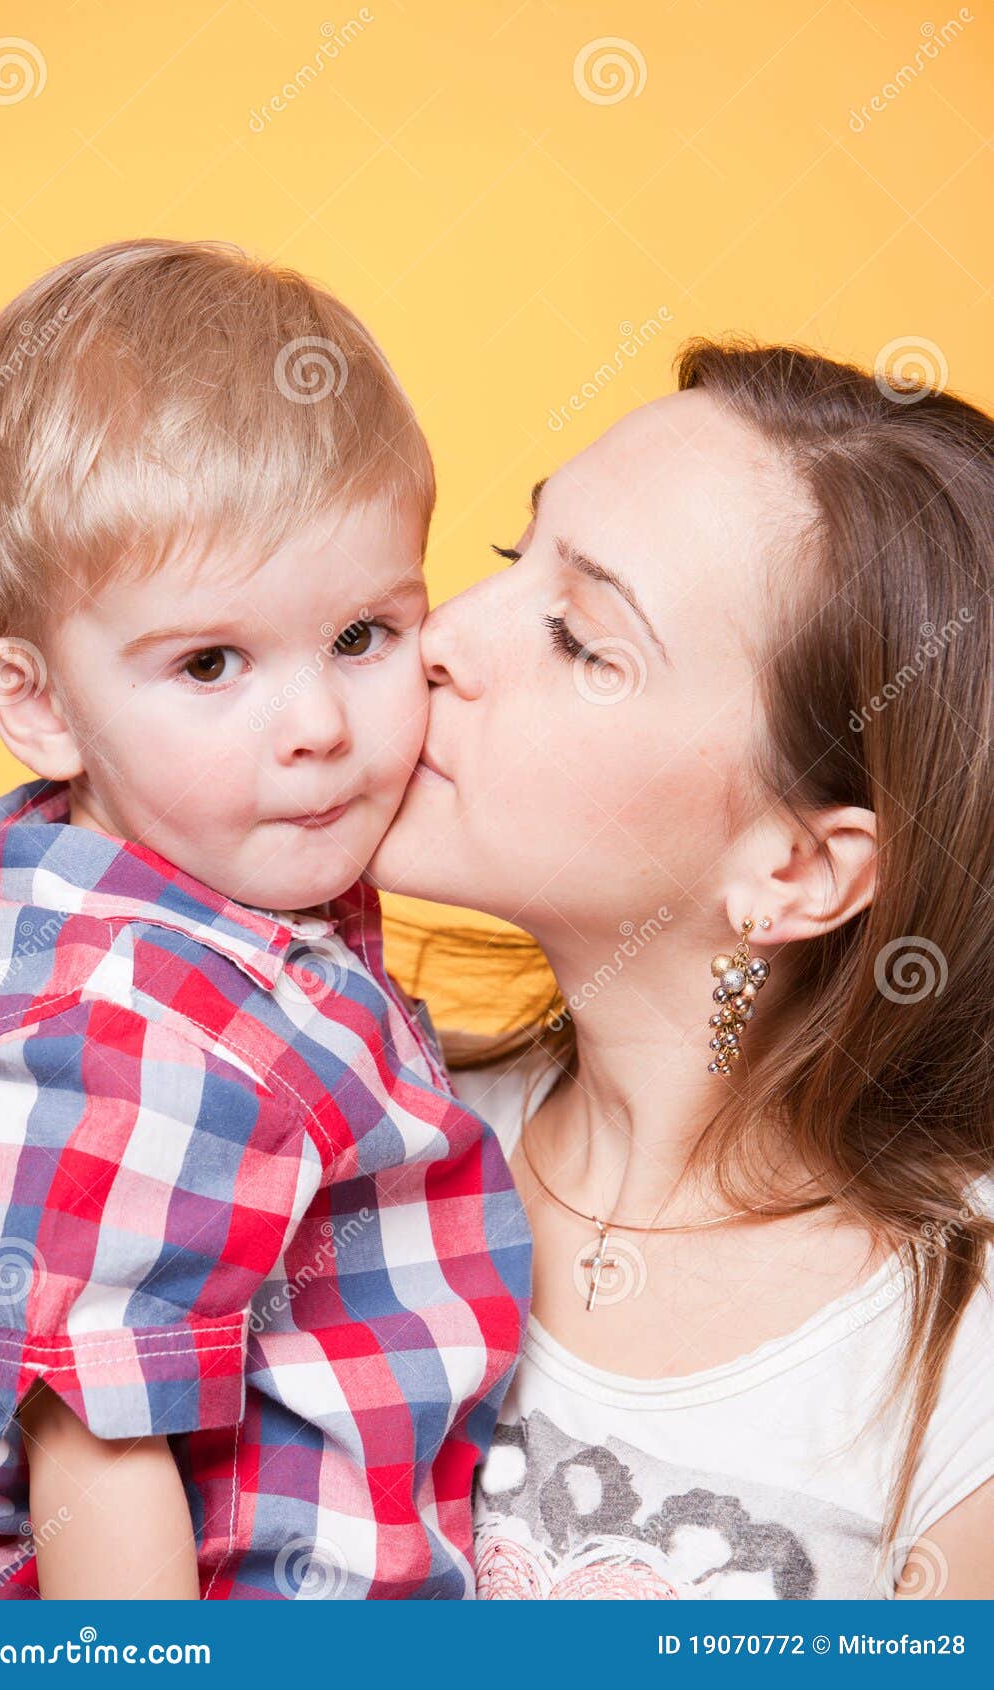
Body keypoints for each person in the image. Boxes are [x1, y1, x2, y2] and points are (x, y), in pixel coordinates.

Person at [0, 239, 531, 1600]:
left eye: (364, 635)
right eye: (211, 662)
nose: (316, 726)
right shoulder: (124, 1017)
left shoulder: (227, 924)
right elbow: (94, 1447)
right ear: (35, 700)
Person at [370, 340, 994, 1600]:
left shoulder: (959, 1359)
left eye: (576, 636)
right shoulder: (347, 1141)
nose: (436, 637)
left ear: (797, 872)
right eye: (509, 554)